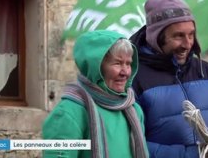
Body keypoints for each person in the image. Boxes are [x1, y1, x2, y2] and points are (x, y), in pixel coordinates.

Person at [130, 0, 208, 158]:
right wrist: (192, 155)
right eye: (178, 36)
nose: (188, 44)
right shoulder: (133, 78)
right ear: (156, 37)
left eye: (191, 34)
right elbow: (132, 141)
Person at [42, 30, 149, 158]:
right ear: (96, 67)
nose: (125, 72)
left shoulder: (134, 110)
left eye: (128, 63)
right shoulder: (69, 113)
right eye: (118, 63)